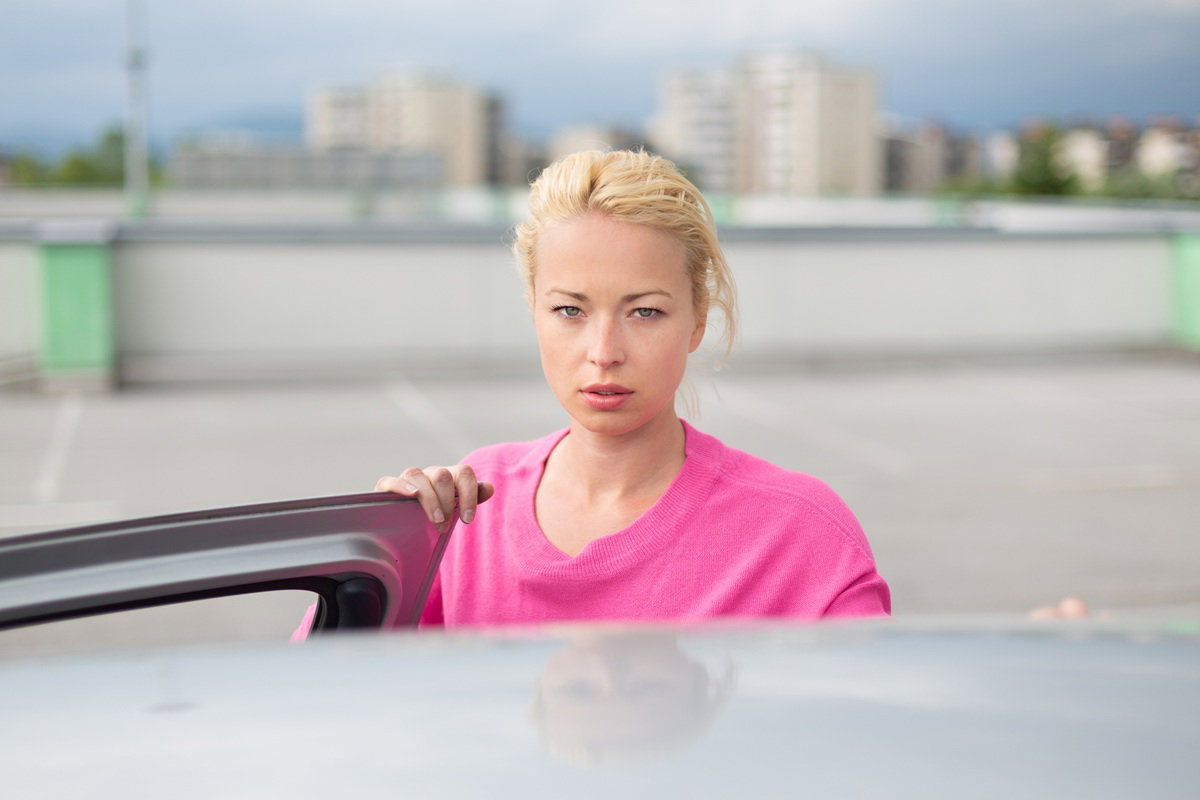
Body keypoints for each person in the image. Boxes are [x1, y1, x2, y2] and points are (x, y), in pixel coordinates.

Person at [375, 150, 890, 628]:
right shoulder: (465, 513)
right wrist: (375, 559)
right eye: (569, 310)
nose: (604, 352)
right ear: (534, 310)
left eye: (645, 312)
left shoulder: (801, 533)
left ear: (697, 322)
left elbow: (872, 695)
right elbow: (358, 683)